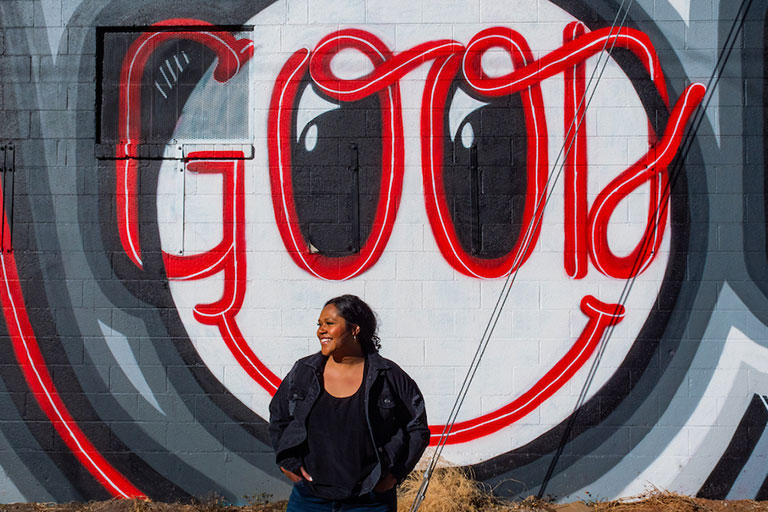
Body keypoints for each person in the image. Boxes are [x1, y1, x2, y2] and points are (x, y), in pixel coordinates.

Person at [269, 294, 430, 511]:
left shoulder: (388, 376)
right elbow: (279, 417)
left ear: (355, 329)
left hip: (370, 501)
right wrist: (286, 464)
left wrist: (394, 475)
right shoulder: (304, 372)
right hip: (310, 498)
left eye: (329, 323)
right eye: (319, 324)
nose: (321, 330)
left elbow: (416, 428)